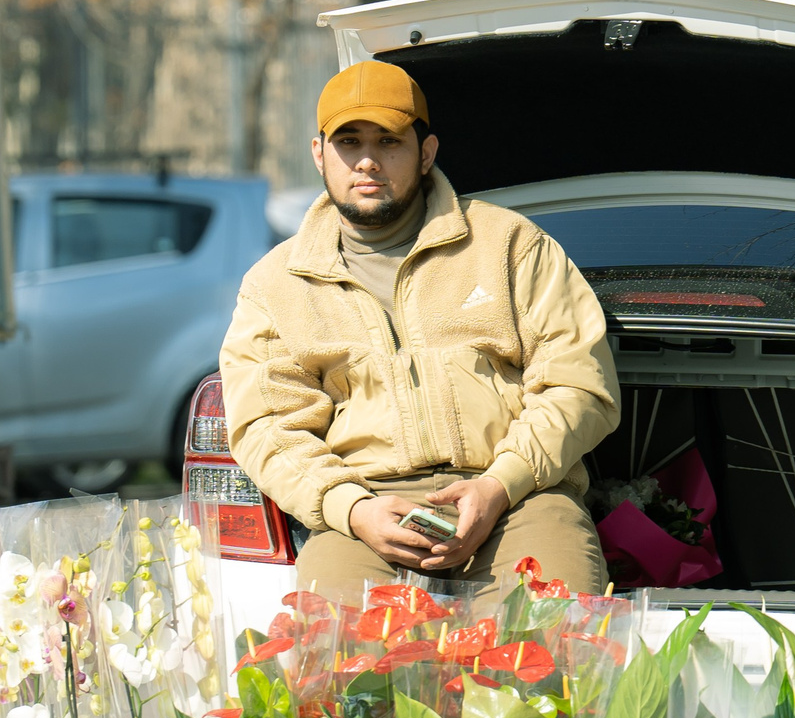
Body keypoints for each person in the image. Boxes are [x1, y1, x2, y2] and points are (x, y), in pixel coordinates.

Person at [219, 59, 618, 603]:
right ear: (319, 154)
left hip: (520, 497)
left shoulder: (511, 246)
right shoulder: (274, 286)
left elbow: (578, 385)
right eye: (349, 141)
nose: (366, 161)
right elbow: (267, 427)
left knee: (549, 655)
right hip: (364, 516)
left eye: (388, 141)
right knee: (340, 671)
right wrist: (353, 510)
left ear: (425, 152)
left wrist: (498, 487)